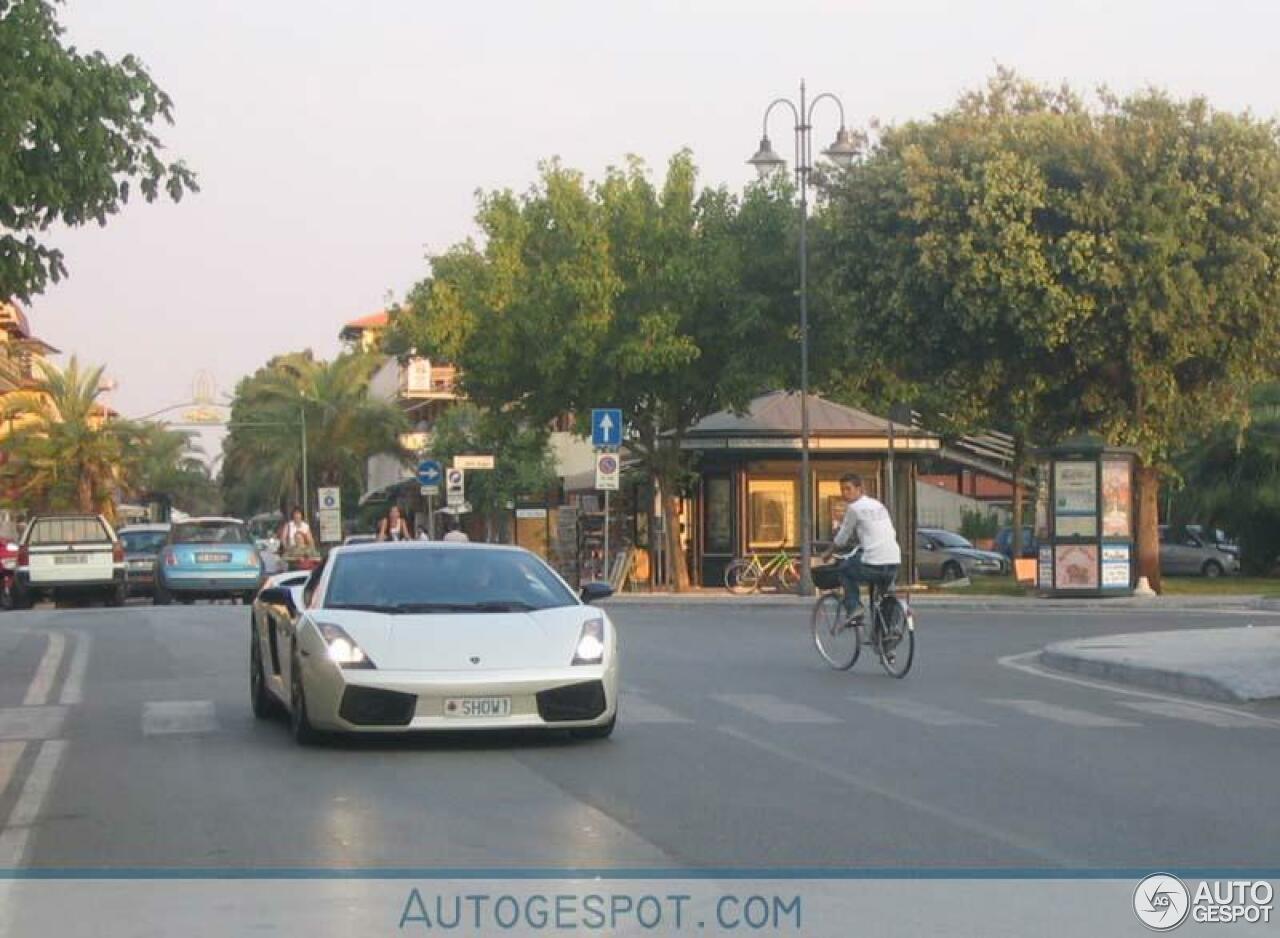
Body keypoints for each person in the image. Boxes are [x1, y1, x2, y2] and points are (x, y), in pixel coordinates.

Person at [821, 473, 901, 623]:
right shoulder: (878, 504)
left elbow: (842, 538)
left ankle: (854, 607)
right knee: (883, 597)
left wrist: (828, 553)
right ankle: (885, 634)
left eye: (848, 489)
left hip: (874, 563)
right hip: (894, 560)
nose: (844, 493)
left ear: (859, 489)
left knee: (845, 570)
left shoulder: (854, 508)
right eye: (842, 489)